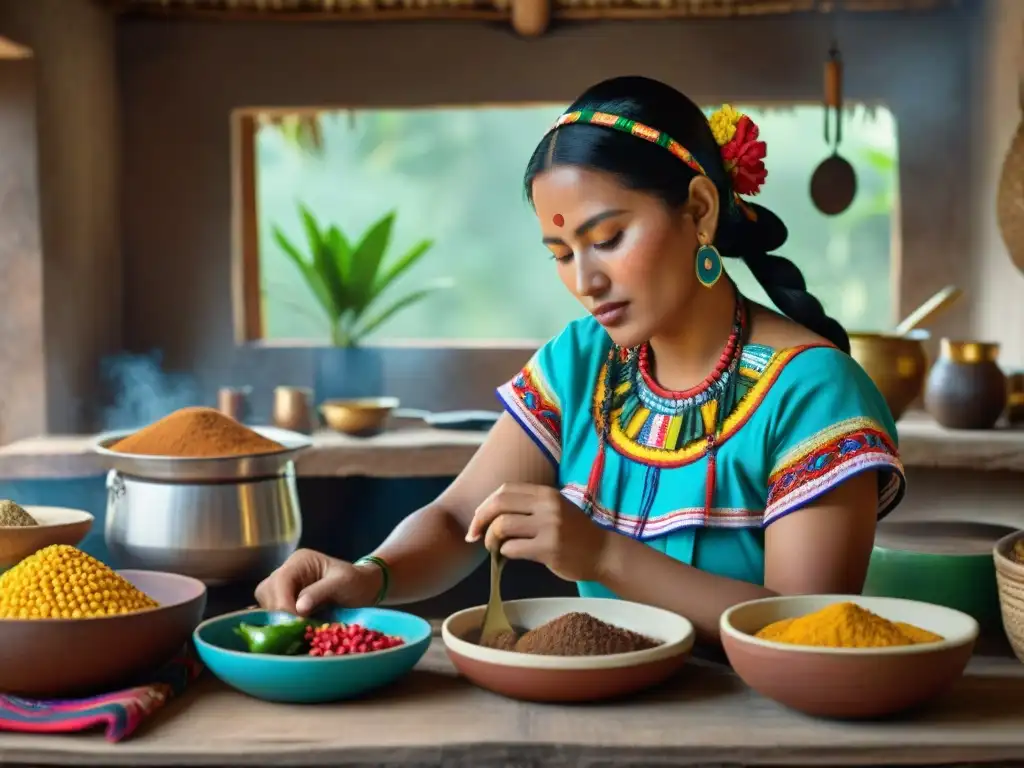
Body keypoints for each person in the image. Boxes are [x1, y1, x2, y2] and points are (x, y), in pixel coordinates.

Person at [255, 76, 905, 644]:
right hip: (601, 715)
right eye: (562, 253)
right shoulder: (582, 362)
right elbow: (459, 519)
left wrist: (602, 554)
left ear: (700, 211)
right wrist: (370, 575)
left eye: (607, 238)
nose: (585, 281)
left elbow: (802, 631)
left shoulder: (815, 392)